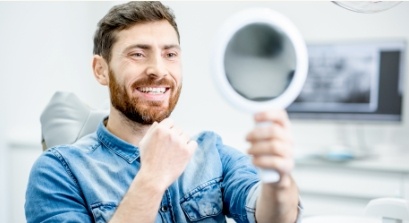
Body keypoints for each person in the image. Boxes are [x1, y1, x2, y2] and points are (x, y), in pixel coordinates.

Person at [25, 1, 302, 222]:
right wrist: (151, 179)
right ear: (101, 70)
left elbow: (273, 218)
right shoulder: (58, 171)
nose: (158, 70)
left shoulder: (211, 152)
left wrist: (277, 179)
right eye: (137, 54)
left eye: (170, 54)